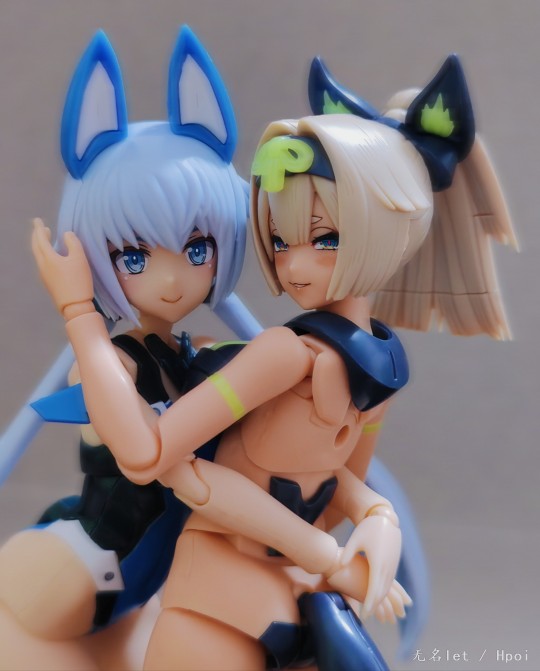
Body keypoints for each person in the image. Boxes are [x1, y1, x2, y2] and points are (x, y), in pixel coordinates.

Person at [31, 54, 515, 670]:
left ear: (391, 232)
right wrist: (80, 313)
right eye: (281, 241)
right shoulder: (283, 353)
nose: (294, 265)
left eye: (325, 238)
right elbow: (152, 455)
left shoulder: (381, 364)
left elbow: (328, 481)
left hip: (298, 593)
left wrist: (377, 517)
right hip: (218, 596)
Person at [0, 26, 259, 671]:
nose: (172, 280)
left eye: (196, 248)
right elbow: (144, 454)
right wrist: (78, 311)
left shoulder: (200, 353)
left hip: (138, 587)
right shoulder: (108, 363)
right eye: (136, 257)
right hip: (67, 575)